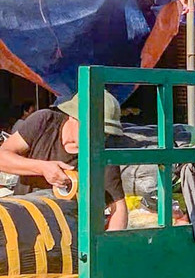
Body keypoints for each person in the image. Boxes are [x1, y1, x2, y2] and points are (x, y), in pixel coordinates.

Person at [0, 93, 128, 230]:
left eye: (105, 134)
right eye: (94, 131)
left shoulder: (101, 152)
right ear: (73, 117)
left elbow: (119, 208)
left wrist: (109, 247)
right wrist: (42, 168)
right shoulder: (45, 122)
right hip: (24, 222)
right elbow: (2, 157)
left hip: (68, 234)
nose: (99, 138)